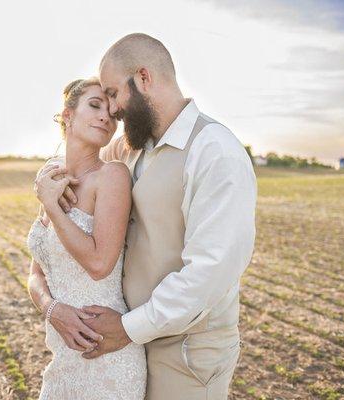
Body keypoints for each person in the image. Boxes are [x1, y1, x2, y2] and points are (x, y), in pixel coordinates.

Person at [38, 33, 257, 399]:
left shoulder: (216, 152)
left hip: (186, 351)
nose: (111, 109)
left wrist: (127, 327)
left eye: (112, 93)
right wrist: (45, 180)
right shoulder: (133, 146)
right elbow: (76, 158)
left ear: (143, 79)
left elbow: (209, 273)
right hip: (130, 342)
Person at [26, 77, 146, 400]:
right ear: (68, 115)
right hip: (63, 358)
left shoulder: (112, 176)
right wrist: (52, 310)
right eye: (95, 105)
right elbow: (36, 273)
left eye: (111, 112)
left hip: (107, 358)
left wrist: (52, 208)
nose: (106, 116)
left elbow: (99, 263)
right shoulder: (51, 177)